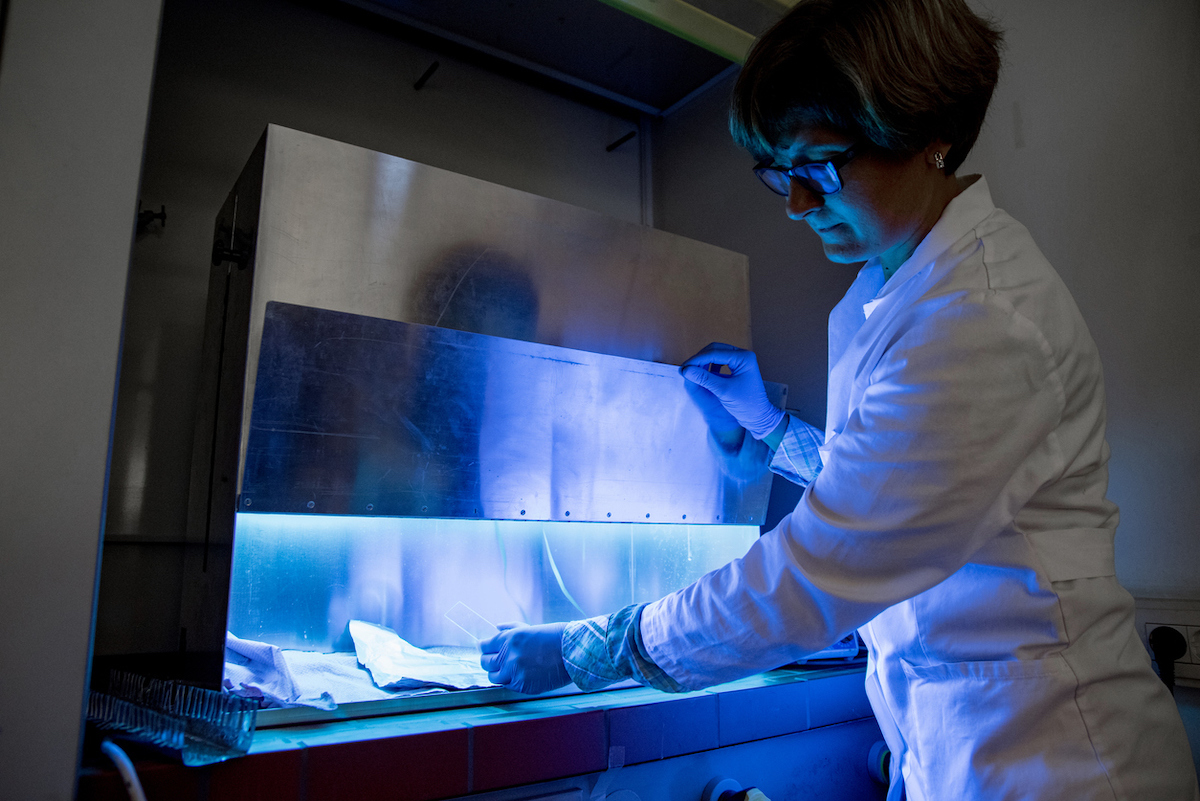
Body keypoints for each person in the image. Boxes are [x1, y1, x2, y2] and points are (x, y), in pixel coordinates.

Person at [480, 0, 1200, 797]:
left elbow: (821, 566)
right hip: (967, 746)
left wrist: (590, 648)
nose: (794, 203)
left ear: (932, 134)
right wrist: (770, 425)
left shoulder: (984, 319)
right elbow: (893, 486)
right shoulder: (894, 286)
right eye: (778, 172)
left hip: (1056, 761)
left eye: (819, 166)